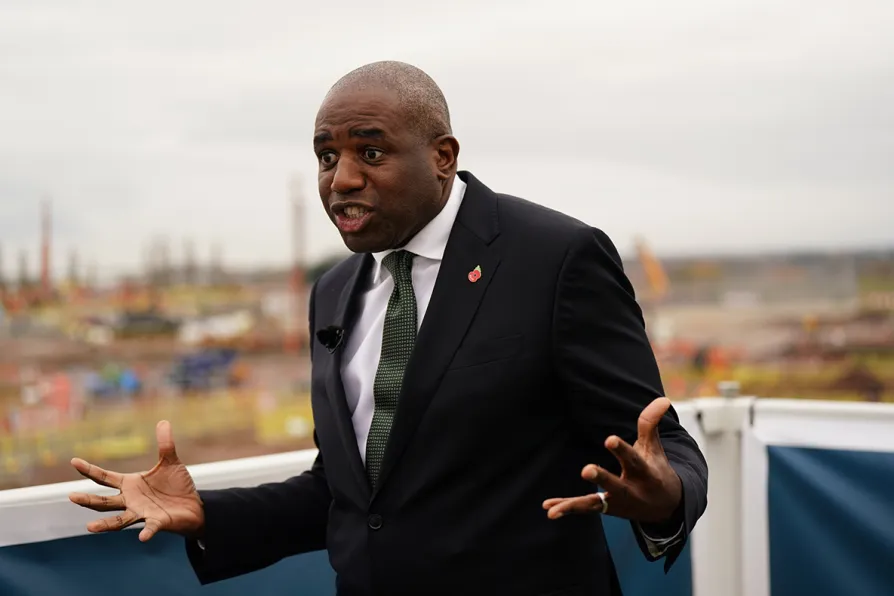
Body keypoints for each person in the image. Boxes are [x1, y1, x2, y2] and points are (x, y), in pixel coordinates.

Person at [69, 61, 708, 596]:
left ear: (442, 157)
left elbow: (666, 449)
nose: (341, 179)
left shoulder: (556, 258)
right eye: (327, 156)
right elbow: (350, 494)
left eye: (369, 152)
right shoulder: (333, 291)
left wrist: (663, 497)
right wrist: (205, 512)